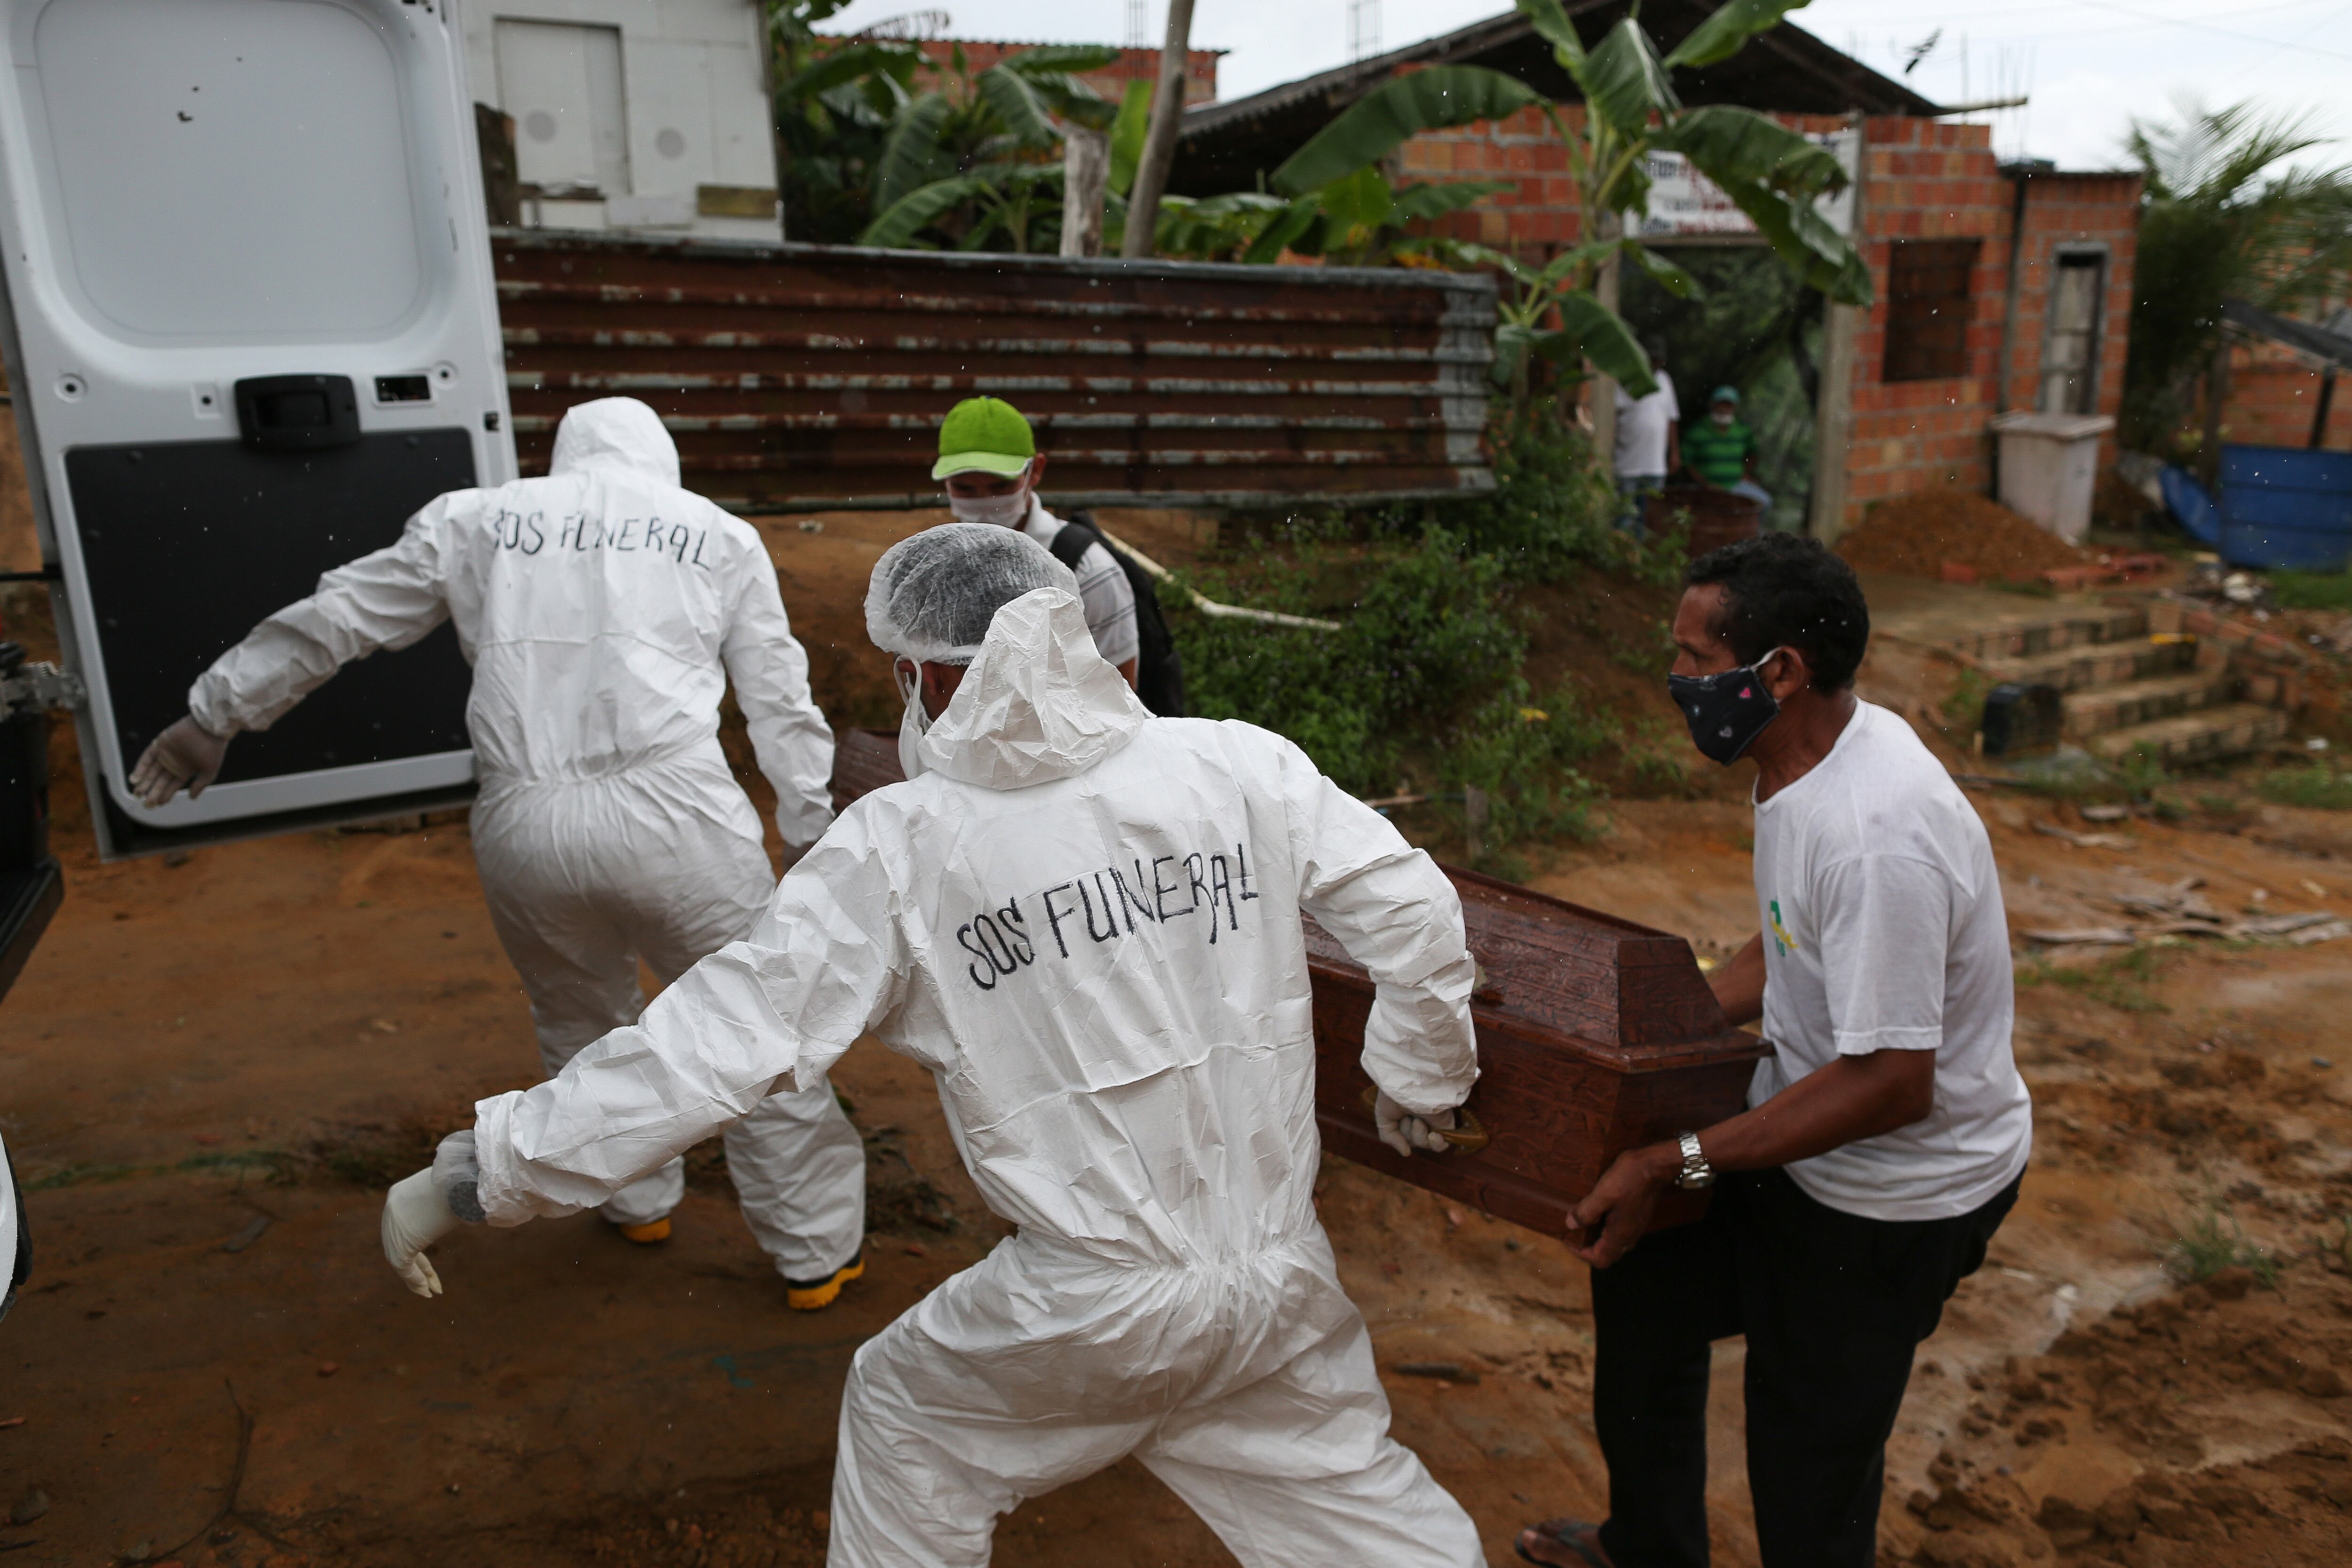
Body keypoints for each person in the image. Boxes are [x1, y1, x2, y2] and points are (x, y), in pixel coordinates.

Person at [379, 523, 1491, 1568]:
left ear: (941, 678)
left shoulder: (905, 849)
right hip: (1276, 1273)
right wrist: (1419, 1078)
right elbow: (1417, 916)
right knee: (1357, 1512)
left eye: (903, 672)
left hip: (1090, 1305)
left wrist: (488, 1170)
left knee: (908, 1424)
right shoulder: (1240, 767)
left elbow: (714, 1043)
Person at [130, 398, 868, 1310]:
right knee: (754, 1030)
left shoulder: (474, 519)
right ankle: (814, 1253)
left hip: (523, 823)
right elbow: (780, 701)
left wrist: (215, 713)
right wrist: (807, 829)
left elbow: (343, 614)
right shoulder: (714, 534)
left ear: (560, 460)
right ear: (661, 461)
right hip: (678, 820)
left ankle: (635, 1200)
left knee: (582, 1024)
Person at [1516, 533, 2030, 1568]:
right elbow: (1791, 935)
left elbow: (1891, 1083)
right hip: (1807, 1129)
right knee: (1643, 1274)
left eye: (1698, 662)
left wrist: (1679, 1156)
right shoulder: (1807, 758)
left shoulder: (1880, 834)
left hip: (1890, 1198)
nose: (1677, 682)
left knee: (1806, 1470)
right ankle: (1650, 1544)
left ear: (1780, 671)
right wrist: (1678, 1021)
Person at [930, 395, 1140, 688]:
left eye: (1001, 487)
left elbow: (1120, 696)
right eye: (965, 488)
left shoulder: (1088, 571)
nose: (983, 504)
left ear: (1036, 471)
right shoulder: (938, 567)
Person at [1613, 341, 1679, 535]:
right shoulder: (1626, 378)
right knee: (1624, 518)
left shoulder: (1665, 381)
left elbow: (1672, 419)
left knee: (1650, 520)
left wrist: (1674, 452)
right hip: (1628, 464)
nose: (1656, 363)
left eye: (1659, 360)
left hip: (1655, 465)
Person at [1680, 385, 1771, 513]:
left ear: (1735, 408)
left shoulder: (1742, 430)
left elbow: (1753, 453)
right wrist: (1705, 484)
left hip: (1736, 485)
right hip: (1704, 488)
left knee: (1765, 502)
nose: (1724, 409)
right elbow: (1687, 463)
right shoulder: (1697, 431)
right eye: (1721, 405)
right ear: (1713, 405)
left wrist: (1745, 475)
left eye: (1728, 405)